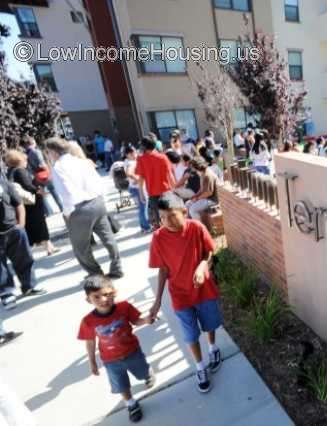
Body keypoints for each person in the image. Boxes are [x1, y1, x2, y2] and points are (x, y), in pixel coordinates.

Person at [148, 193, 223, 393]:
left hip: (204, 289)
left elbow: (209, 252)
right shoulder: (157, 238)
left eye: (172, 215)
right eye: (162, 217)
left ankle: (213, 348)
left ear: (184, 211)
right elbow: (162, 270)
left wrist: (201, 267)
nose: (167, 221)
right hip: (180, 294)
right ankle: (200, 367)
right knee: (190, 334)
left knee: (210, 325)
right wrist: (157, 302)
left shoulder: (197, 228)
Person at [77, 275, 155, 423]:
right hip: (110, 360)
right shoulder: (88, 321)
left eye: (106, 294)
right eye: (96, 297)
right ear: (88, 300)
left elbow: (136, 321)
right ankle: (131, 404)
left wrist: (146, 320)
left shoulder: (124, 307)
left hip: (132, 352)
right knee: (121, 385)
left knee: (142, 372)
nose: (103, 300)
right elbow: (90, 342)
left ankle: (147, 374)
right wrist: (92, 362)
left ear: (114, 292)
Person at [46, 137, 123, 278]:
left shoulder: (58, 167)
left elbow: (66, 192)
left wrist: (67, 212)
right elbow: (98, 181)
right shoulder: (81, 161)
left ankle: (95, 273)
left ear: (53, 152)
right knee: (108, 238)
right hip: (97, 202)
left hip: (79, 208)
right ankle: (117, 268)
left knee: (81, 247)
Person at [0, 175, 45, 310]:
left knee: (24, 259)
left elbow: (18, 203)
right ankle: (6, 293)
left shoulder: (3, 182)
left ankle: (29, 286)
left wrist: (21, 224)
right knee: (1, 268)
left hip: (13, 229)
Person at [5, 150, 58, 255]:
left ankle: (45, 246)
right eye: (25, 160)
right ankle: (49, 247)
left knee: (31, 225)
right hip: (32, 202)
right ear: (18, 160)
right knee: (40, 223)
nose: (26, 162)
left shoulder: (10, 171)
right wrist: (39, 190)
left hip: (24, 204)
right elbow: (28, 185)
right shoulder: (19, 170)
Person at [135, 137, 176, 229]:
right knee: (170, 216)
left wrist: (141, 193)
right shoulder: (163, 157)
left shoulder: (141, 159)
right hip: (166, 191)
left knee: (159, 219)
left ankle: (164, 237)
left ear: (144, 147)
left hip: (152, 194)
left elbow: (141, 178)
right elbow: (170, 175)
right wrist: (175, 190)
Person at [20, 136, 64, 214]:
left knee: (41, 194)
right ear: (32, 142)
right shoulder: (36, 151)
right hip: (44, 173)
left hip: (36, 176)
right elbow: (41, 164)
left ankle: (48, 212)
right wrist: (49, 171)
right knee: (53, 191)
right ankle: (62, 207)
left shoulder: (26, 154)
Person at [123, 146, 151, 233]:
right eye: (131, 153)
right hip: (136, 188)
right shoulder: (131, 162)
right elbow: (129, 173)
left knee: (141, 208)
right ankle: (145, 227)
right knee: (143, 207)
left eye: (134, 152)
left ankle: (144, 226)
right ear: (127, 155)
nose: (134, 154)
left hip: (133, 187)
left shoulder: (127, 161)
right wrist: (138, 179)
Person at [187, 157, 218, 222]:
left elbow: (209, 192)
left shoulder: (207, 175)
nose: (191, 168)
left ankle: (199, 228)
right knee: (188, 204)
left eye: (192, 167)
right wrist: (195, 196)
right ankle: (190, 224)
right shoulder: (202, 173)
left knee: (193, 209)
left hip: (212, 200)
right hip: (206, 198)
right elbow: (201, 189)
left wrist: (197, 198)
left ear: (196, 166)